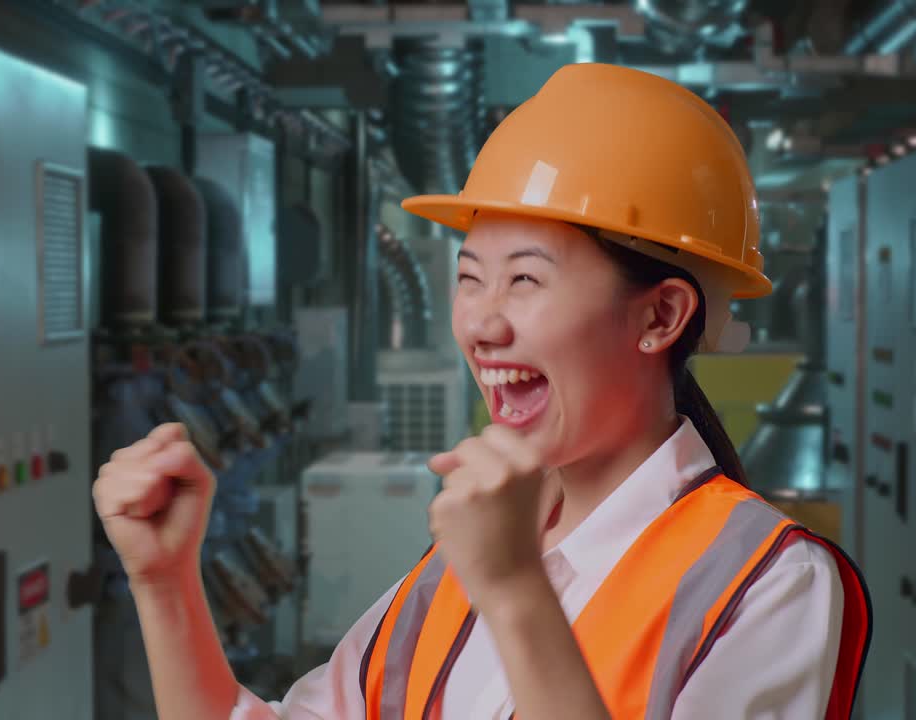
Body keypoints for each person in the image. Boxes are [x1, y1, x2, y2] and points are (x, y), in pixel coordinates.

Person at [92, 62, 872, 720]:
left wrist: (514, 593)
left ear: (660, 314)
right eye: (470, 279)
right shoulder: (469, 563)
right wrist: (165, 584)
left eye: (525, 279)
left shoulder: (767, 584)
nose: (482, 326)